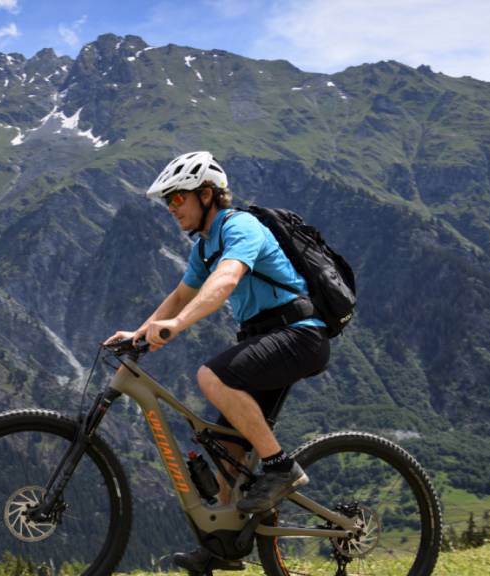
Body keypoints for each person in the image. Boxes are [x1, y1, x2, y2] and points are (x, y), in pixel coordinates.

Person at [104, 151, 330, 573]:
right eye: (167, 201)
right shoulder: (205, 246)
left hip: (299, 335)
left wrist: (175, 326)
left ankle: (281, 468)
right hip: (267, 338)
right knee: (225, 444)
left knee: (211, 376)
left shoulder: (242, 227)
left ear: (206, 195)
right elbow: (179, 295)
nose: (171, 209)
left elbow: (226, 279)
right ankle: (224, 546)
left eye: (177, 199)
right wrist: (139, 334)